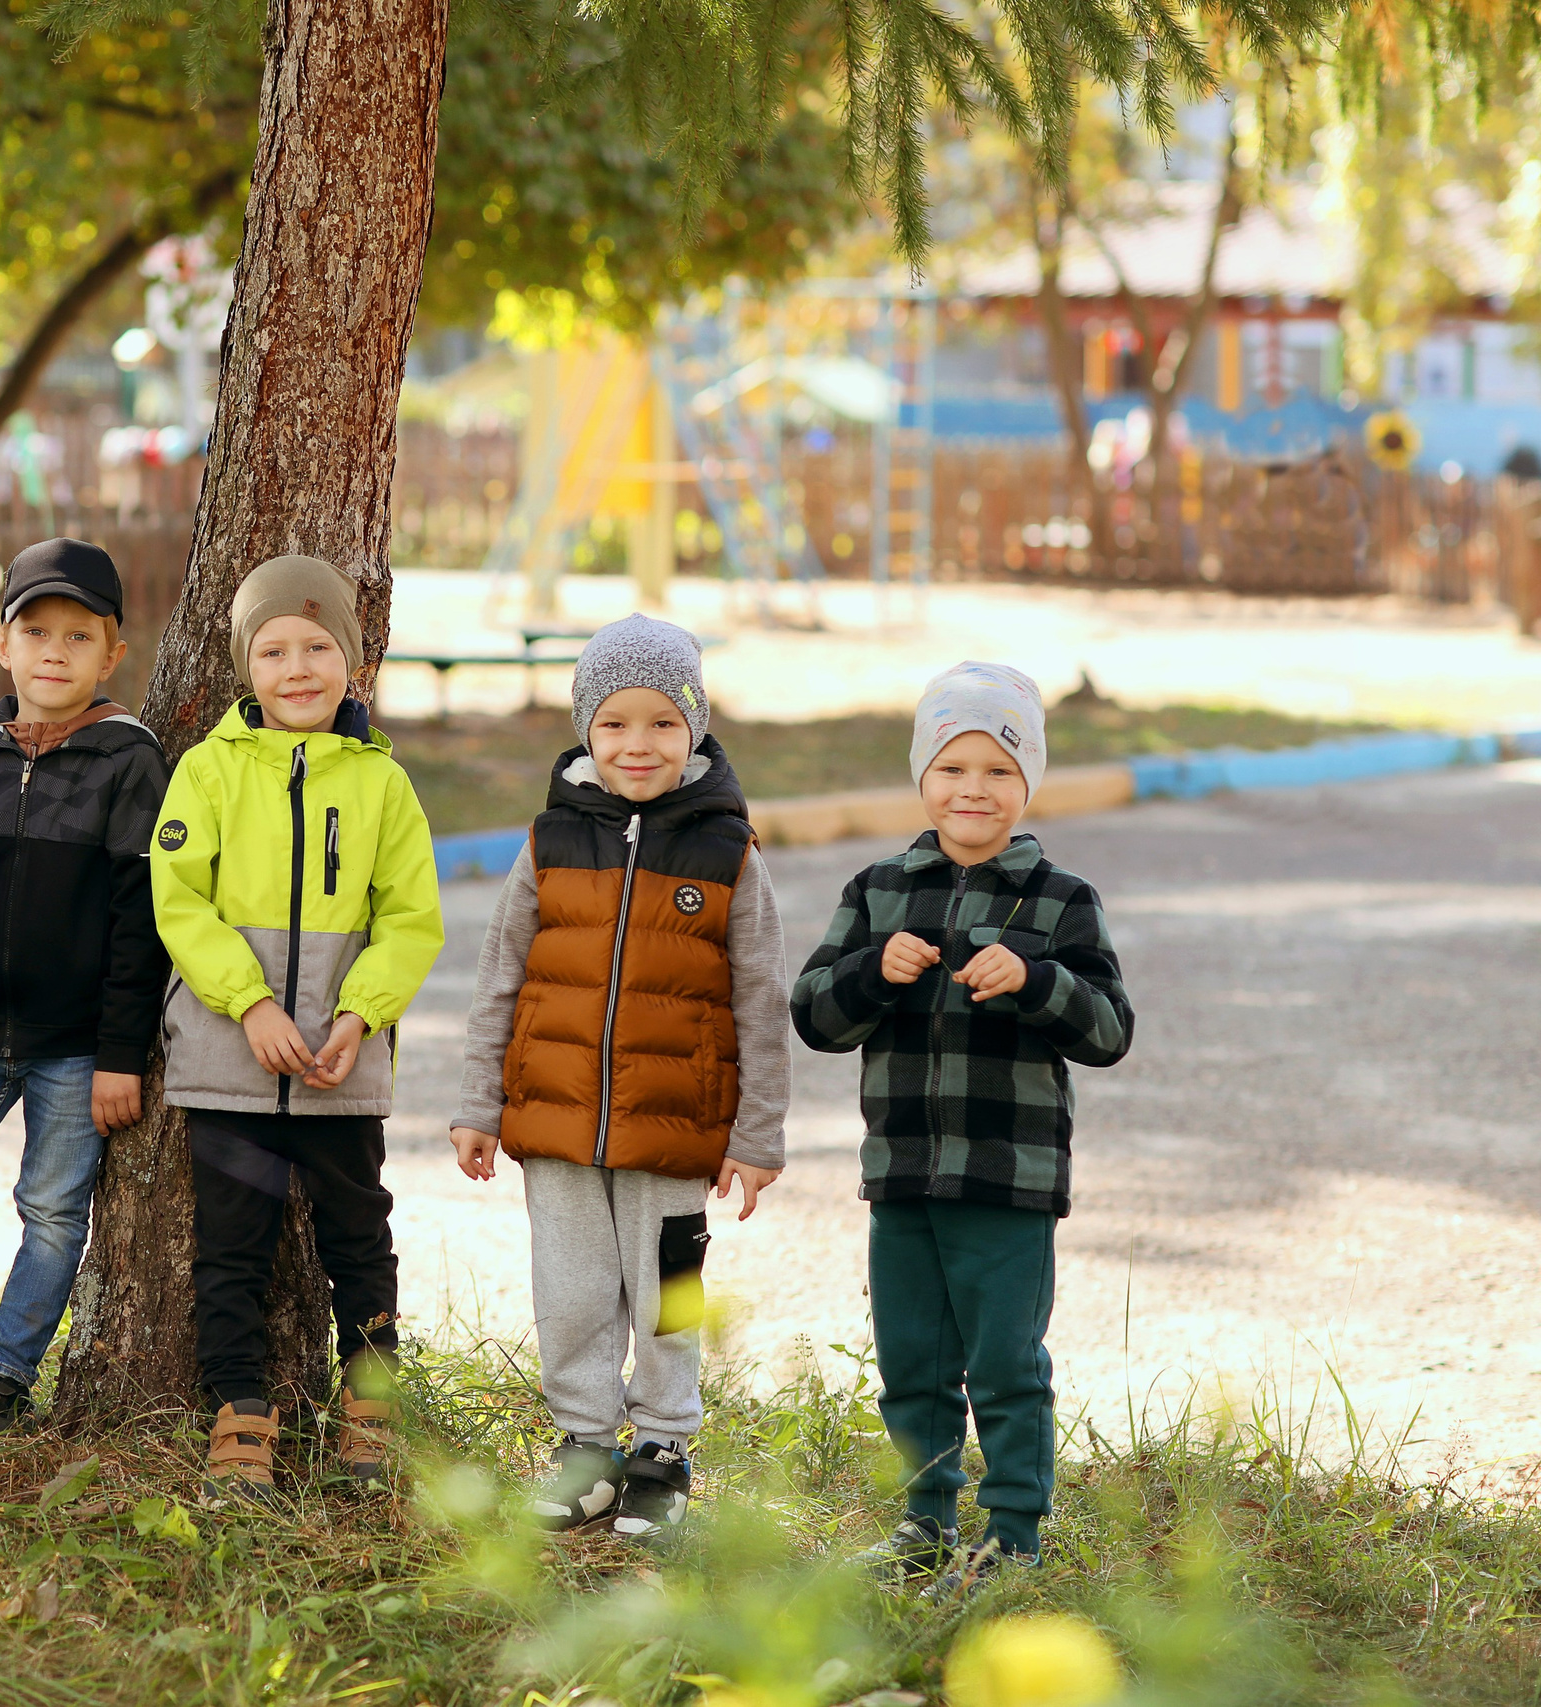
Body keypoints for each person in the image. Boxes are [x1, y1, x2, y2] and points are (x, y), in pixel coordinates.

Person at [789, 662, 1134, 1588]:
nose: (972, 789)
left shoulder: (1060, 898)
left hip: (1008, 1175)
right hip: (901, 1171)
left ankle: (1013, 1534)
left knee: (1006, 1362)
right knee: (913, 1360)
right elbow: (816, 1014)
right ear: (922, 779)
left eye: (997, 770)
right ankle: (924, 1524)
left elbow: (1110, 1031)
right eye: (951, 768)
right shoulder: (880, 888)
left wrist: (1036, 981)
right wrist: (874, 972)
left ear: (1028, 784)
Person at [447, 615, 790, 1542]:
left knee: (672, 1292)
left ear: (695, 730)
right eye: (615, 725)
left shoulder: (728, 852)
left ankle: (667, 1449)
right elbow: (500, 973)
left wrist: (758, 1135)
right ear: (585, 732)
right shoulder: (551, 839)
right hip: (555, 1127)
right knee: (570, 1294)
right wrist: (481, 1101)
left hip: (678, 1133)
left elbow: (762, 998)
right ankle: (586, 1449)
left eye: (661, 724)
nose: (637, 745)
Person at [149, 554, 445, 1501]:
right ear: (247, 665)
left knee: (359, 1237)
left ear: (351, 661)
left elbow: (409, 918)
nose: (297, 667)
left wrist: (360, 1015)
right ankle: (240, 1421)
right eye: (273, 649)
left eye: (318, 646)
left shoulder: (382, 784)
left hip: (337, 1063)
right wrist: (252, 1002)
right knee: (230, 1247)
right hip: (232, 1061)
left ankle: (371, 1410)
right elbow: (179, 902)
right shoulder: (208, 771)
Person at [0, 539, 170, 1433]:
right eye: (36, 630)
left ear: (112, 654)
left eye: (79, 636)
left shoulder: (129, 762)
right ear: (0, 642)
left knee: (52, 1210)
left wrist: (122, 1053)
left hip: (76, 1042)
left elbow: (142, 919)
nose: (55, 651)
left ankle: (2, 1378)